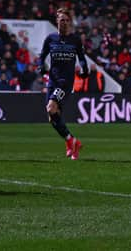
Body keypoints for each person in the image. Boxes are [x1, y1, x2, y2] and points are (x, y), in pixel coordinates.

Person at [38, 8, 89, 160]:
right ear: (57, 21)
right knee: (52, 116)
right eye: (62, 20)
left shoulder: (75, 40)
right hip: (52, 80)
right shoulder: (50, 39)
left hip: (65, 82)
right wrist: (41, 66)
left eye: (67, 20)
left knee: (51, 108)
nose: (65, 23)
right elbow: (42, 56)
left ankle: (71, 141)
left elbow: (81, 57)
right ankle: (72, 141)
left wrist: (84, 68)